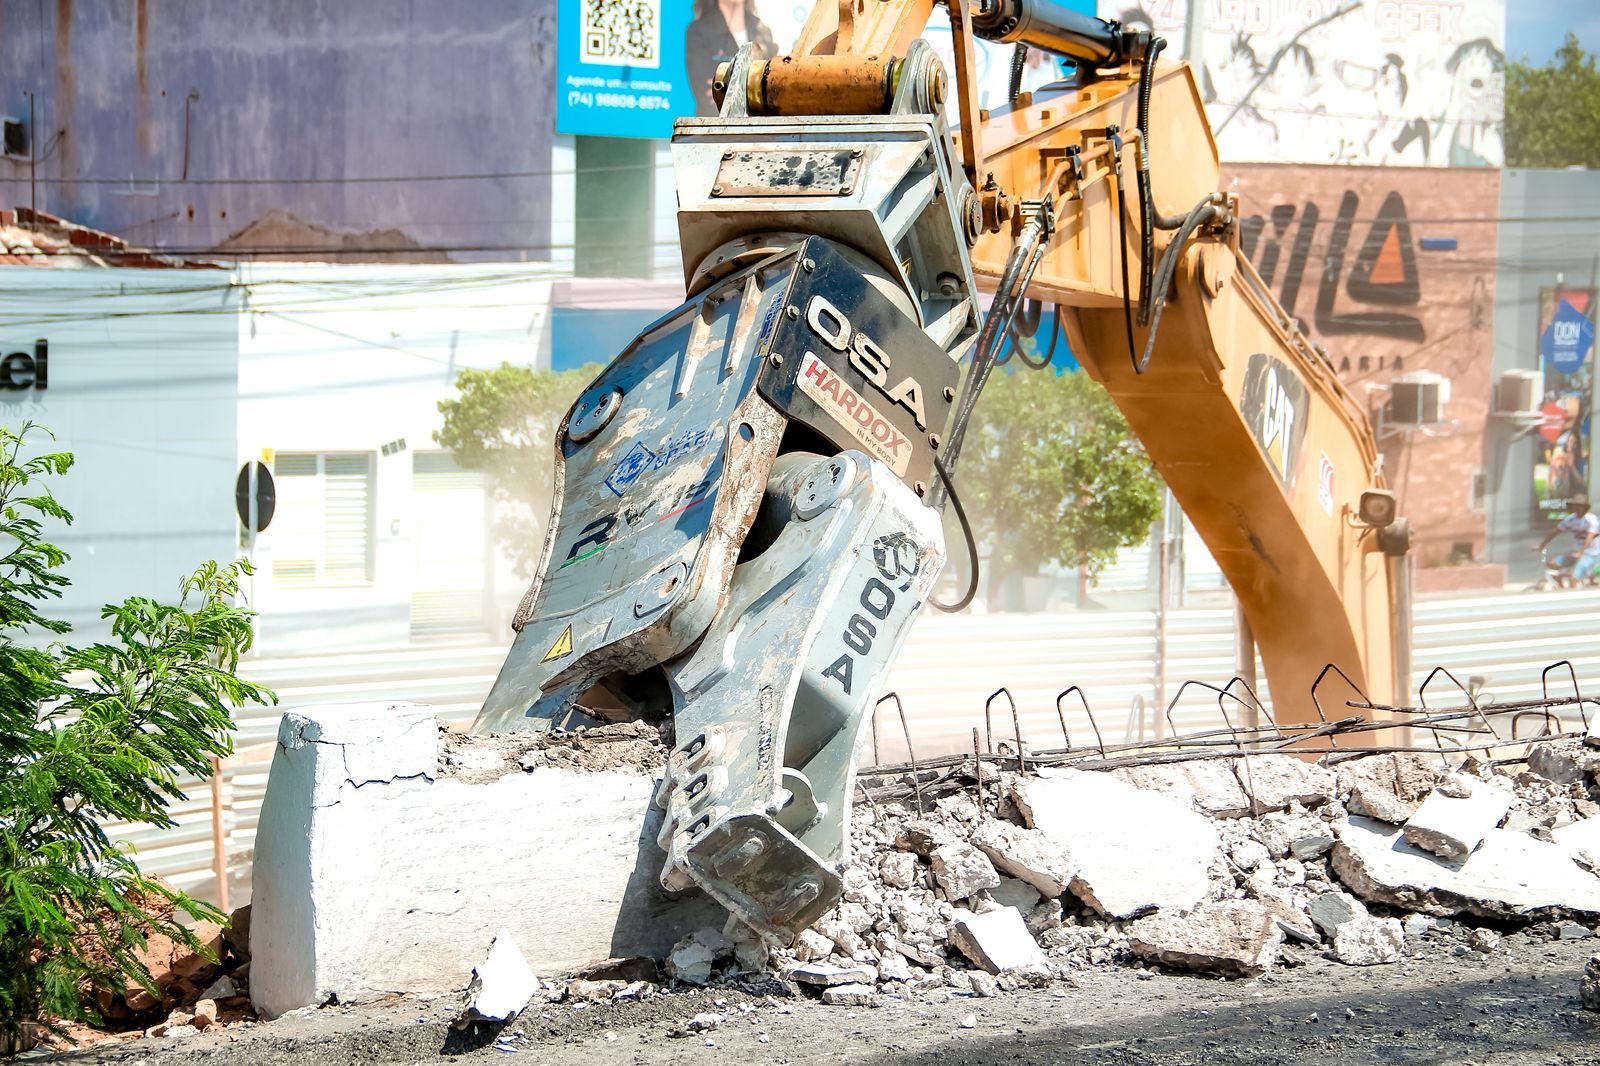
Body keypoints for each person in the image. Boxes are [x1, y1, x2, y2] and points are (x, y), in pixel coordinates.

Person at [685, 0, 777, 117]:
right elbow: (709, 95)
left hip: (759, 130)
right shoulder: (699, 31)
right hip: (715, 129)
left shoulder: (763, 32)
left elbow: (772, 90)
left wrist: (729, 89)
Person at [1535, 495, 1599, 588]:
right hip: (1575, 553)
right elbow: (1555, 531)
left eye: (1577, 505)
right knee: (1552, 564)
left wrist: (1580, 552)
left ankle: (1575, 596)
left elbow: (1589, 537)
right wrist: (1541, 545)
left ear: (1583, 507)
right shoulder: (1571, 519)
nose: (1575, 508)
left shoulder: (1590, 519)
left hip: (1590, 554)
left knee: (1574, 578)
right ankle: (1562, 589)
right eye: (1573, 505)